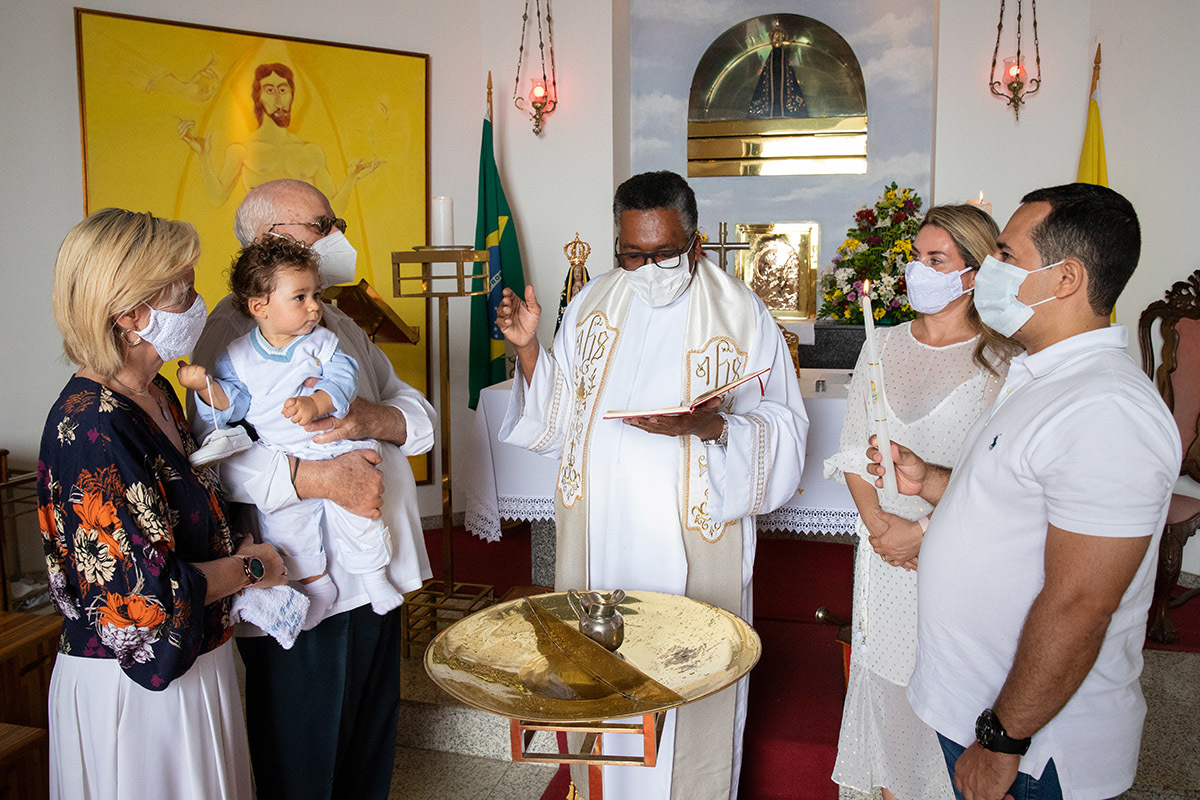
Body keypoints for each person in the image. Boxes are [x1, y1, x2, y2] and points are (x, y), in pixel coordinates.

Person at [497, 170, 809, 800]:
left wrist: (710, 424)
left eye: (663, 254)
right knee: (603, 690)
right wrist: (531, 351)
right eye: (632, 254)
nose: (646, 268)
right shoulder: (592, 303)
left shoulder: (739, 311)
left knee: (690, 688)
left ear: (694, 244)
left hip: (690, 546)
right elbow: (558, 417)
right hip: (602, 541)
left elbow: (785, 425)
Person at [869, 184, 1180, 800]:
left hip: (1035, 746)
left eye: (1007, 256)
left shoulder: (1106, 408)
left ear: (1066, 279)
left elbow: (1081, 603)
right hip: (982, 705)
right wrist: (932, 480)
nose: (990, 270)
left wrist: (1003, 740)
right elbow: (1019, 501)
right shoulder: (1042, 374)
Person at [189, 178, 435, 800]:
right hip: (300, 575)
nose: (337, 236)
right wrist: (319, 477)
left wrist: (369, 421)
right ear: (274, 242)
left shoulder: (334, 323)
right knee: (304, 762)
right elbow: (215, 457)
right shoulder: (228, 335)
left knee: (367, 752)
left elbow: (416, 414)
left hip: (373, 567)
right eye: (322, 224)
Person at [38, 208, 289, 799]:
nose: (200, 304)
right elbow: (143, 600)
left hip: (197, 661)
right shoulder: (94, 429)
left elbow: (179, 513)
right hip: (140, 688)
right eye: (186, 291)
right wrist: (256, 569)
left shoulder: (156, 393)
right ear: (131, 315)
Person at [826, 204, 1019, 800]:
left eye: (936, 260)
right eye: (916, 258)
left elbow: (998, 478)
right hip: (883, 553)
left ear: (973, 273)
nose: (918, 272)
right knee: (886, 686)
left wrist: (924, 533)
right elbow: (854, 450)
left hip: (956, 553)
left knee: (948, 694)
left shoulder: (1001, 358)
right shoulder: (881, 343)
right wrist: (881, 527)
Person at [183, 236, 404, 630]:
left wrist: (317, 402)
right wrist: (205, 388)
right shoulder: (236, 355)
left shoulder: (320, 342)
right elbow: (231, 404)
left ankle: (375, 577)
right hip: (285, 455)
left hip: (333, 446)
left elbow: (344, 375)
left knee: (360, 515)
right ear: (259, 307)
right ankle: (317, 588)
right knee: (286, 531)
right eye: (300, 297)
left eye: (315, 295)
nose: (314, 306)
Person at [178, 63, 379, 211]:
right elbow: (217, 197)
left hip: (301, 251)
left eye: (283, 90)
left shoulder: (310, 152)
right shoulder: (243, 150)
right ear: (258, 97)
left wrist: (351, 179)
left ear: (292, 95)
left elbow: (332, 210)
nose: (277, 98)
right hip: (262, 251)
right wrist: (204, 156)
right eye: (269, 90)